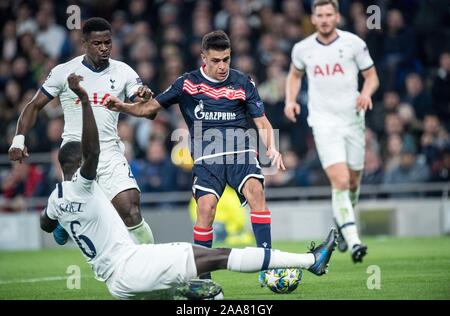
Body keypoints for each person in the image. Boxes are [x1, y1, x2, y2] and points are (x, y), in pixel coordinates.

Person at [39, 73, 338, 300]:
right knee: (220, 255)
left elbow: (48, 224)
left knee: (203, 295)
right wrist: (88, 99)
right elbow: (93, 152)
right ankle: (311, 261)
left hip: (117, 285)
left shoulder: (57, 200)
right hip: (136, 265)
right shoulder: (88, 184)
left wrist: (62, 225)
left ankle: (200, 287)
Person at [105, 30, 285, 282]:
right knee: (206, 210)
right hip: (207, 158)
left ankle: (268, 265)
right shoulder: (187, 83)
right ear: (203, 58)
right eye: (216, 61)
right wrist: (122, 106)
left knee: (256, 191)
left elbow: (262, 121)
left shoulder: (243, 82)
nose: (222, 66)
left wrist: (271, 148)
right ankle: (204, 277)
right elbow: (150, 108)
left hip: (240, 151)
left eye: (226, 59)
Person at [8, 17, 154, 245]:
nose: (104, 48)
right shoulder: (64, 72)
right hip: (76, 153)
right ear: (84, 42)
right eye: (97, 43)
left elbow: (145, 107)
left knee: (131, 211)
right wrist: (19, 139)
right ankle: (61, 214)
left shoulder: (124, 71)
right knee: (67, 217)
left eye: (108, 42)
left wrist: (145, 98)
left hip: (109, 151)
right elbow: (34, 105)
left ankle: (151, 266)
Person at [284, 0, 379, 263]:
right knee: (339, 181)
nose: (324, 19)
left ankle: (342, 223)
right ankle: (354, 241)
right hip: (324, 123)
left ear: (337, 16)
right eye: (320, 15)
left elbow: (372, 76)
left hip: (353, 121)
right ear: (313, 19)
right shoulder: (302, 49)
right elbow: (294, 76)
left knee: (353, 183)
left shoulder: (354, 43)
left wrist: (366, 93)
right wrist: (290, 100)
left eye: (329, 14)